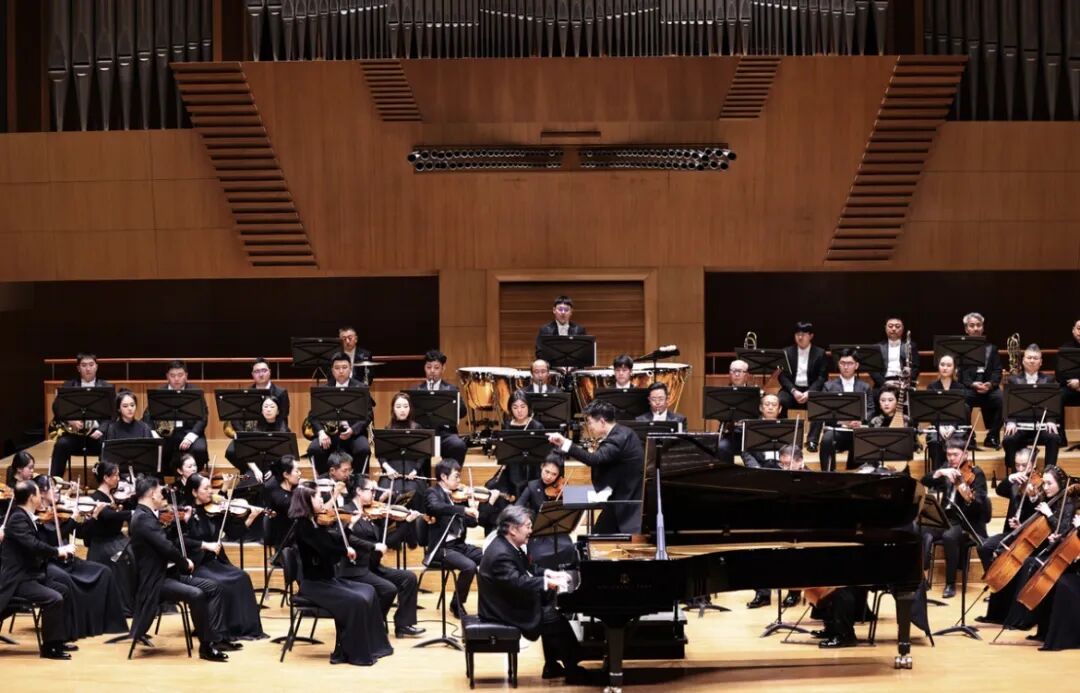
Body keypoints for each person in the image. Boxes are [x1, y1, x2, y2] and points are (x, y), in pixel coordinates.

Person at [288, 484, 393, 665]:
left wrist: (349, 526)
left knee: (369, 590)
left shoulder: (315, 522)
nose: (322, 500)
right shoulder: (303, 526)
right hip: (314, 585)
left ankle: (375, 646)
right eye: (318, 496)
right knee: (357, 600)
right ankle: (351, 652)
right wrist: (345, 551)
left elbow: (334, 539)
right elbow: (325, 549)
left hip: (327, 580)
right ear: (307, 501)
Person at [127, 475, 229, 661]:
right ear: (152, 494)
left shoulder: (145, 515)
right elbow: (166, 547)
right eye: (160, 492)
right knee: (196, 594)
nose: (163, 496)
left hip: (166, 574)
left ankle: (216, 638)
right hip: (155, 581)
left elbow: (165, 541)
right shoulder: (143, 519)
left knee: (213, 587)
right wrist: (184, 562)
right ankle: (206, 646)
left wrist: (181, 521)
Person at [478, 505, 584, 681]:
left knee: (548, 606)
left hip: (504, 599)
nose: (531, 531)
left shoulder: (508, 544)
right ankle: (573, 669)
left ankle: (552, 666)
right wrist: (547, 583)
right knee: (551, 617)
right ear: (513, 529)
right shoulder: (501, 553)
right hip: (500, 609)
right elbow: (517, 581)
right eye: (528, 526)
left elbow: (529, 568)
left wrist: (550, 573)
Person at [32, 475, 127, 640]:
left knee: (104, 572)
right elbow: (51, 541)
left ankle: (102, 625)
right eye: (52, 487)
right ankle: (72, 630)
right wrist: (72, 521)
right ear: (41, 492)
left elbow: (83, 533)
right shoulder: (37, 517)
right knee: (67, 581)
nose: (57, 489)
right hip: (50, 562)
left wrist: (94, 516)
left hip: (67, 560)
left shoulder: (59, 509)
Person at [182, 474, 267, 643]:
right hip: (197, 564)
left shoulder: (215, 510)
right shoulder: (186, 513)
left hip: (215, 561)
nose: (210, 491)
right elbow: (181, 540)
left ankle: (243, 628)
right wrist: (204, 544)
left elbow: (234, 533)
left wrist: (251, 517)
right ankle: (220, 629)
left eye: (210, 487)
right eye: (206, 488)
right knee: (221, 583)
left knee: (242, 576)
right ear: (194, 492)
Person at [339, 478, 425, 638]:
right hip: (355, 569)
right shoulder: (345, 512)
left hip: (372, 567)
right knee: (388, 589)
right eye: (371, 490)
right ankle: (373, 623)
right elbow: (345, 538)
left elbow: (387, 542)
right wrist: (372, 546)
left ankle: (403, 624)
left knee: (409, 578)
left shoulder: (371, 514)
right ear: (359, 491)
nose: (375, 494)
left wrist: (406, 523)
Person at [0, 480, 76, 659]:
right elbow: (33, 545)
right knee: (54, 598)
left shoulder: (26, 516)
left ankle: (57, 640)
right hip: (19, 579)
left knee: (63, 590)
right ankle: (49, 648)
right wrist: (58, 551)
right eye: (37, 493)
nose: (41, 496)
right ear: (31, 497)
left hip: (32, 575)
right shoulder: (18, 518)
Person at [547, 400, 644, 534]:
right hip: (617, 497)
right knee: (596, 536)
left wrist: (565, 443)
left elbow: (594, 459)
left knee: (598, 537)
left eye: (590, 422)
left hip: (625, 502)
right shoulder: (624, 432)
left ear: (602, 421)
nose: (589, 427)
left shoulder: (618, 438)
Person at [975, 448, 1041, 624]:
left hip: (1031, 537)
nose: (1020, 469)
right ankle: (996, 580)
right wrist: (1011, 477)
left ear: (1033, 464)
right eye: (1017, 465)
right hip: (1011, 534)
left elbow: (1041, 509)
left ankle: (1004, 587)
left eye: (1024, 465)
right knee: (984, 547)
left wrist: (1033, 496)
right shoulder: (1015, 481)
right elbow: (1000, 490)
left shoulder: (1040, 484)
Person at [920, 436, 988, 599]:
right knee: (919, 527)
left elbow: (979, 506)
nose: (951, 458)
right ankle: (921, 575)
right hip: (945, 518)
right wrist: (939, 472)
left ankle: (950, 583)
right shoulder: (947, 469)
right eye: (948, 454)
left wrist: (966, 495)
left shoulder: (976, 474)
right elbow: (925, 481)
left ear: (965, 455)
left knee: (949, 536)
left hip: (964, 521)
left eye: (955, 455)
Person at [424, 459, 484, 618]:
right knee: (469, 566)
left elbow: (471, 524)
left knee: (488, 558)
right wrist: (462, 509)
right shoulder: (432, 493)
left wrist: (473, 508)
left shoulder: (456, 496)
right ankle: (456, 604)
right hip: (441, 548)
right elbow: (434, 507)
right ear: (444, 477)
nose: (459, 480)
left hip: (459, 545)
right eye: (456, 476)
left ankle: (489, 603)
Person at [82, 460, 134, 616]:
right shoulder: (96, 498)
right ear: (106, 478)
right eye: (116, 475)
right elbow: (108, 515)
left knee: (137, 554)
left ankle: (137, 602)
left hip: (117, 539)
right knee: (125, 558)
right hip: (103, 544)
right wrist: (131, 513)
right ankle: (122, 606)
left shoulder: (112, 495)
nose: (118, 478)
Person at [307, 352, 371, 476]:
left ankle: (359, 480)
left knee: (363, 449)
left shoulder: (361, 388)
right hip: (329, 434)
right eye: (337, 368)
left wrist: (352, 430)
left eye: (344, 367)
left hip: (353, 433)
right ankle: (325, 479)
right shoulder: (324, 389)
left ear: (350, 368)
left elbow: (368, 415)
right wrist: (321, 433)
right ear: (332, 370)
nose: (341, 371)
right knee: (314, 449)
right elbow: (313, 416)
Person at [49, 352, 113, 477]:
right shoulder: (68, 386)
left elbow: (113, 415)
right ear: (78, 368)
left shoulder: (107, 387)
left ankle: (105, 482)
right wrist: (70, 420)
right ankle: (54, 481)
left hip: (97, 435)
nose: (88, 368)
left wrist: (101, 430)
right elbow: (57, 408)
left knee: (107, 445)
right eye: (84, 365)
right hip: (75, 435)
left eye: (91, 365)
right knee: (61, 444)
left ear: (96, 366)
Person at [1002, 344, 1063, 471]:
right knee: (1008, 439)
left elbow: (1053, 403)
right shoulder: (1013, 380)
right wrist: (1011, 421)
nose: (1032, 361)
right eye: (1029, 357)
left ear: (1041, 362)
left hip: (1042, 425)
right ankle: (1014, 471)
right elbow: (1007, 405)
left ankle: (1049, 472)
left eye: (1035, 358)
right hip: (1020, 425)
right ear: (1023, 360)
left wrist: (1051, 420)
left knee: (1054, 437)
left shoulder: (1049, 379)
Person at [514, 452, 576, 570]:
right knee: (539, 555)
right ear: (541, 466)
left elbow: (573, 506)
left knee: (569, 548)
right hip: (538, 532)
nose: (549, 477)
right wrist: (527, 517)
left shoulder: (562, 487)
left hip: (557, 530)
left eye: (554, 474)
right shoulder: (532, 486)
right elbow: (517, 507)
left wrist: (567, 496)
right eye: (547, 472)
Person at [142, 360, 209, 468]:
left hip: (189, 431)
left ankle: (196, 474)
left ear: (186, 375)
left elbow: (203, 418)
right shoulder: (159, 392)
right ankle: (162, 475)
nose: (176, 379)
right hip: (166, 434)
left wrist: (191, 437)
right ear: (167, 376)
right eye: (172, 375)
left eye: (180, 375)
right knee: (155, 448)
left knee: (199, 449)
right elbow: (147, 416)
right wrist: (153, 433)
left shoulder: (196, 392)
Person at [818, 349, 873, 472]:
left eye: (850, 363)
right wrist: (843, 422)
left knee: (863, 439)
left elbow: (870, 410)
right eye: (843, 363)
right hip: (838, 430)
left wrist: (860, 421)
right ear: (838, 364)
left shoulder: (865, 387)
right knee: (827, 439)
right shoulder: (828, 386)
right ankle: (828, 475)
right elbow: (824, 413)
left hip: (857, 430)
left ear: (856, 365)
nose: (846, 367)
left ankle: (855, 474)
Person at [777, 323, 828, 451]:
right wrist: (794, 391)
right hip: (792, 390)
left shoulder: (820, 353)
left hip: (811, 389)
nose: (800, 337)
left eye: (803, 334)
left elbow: (822, 377)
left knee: (820, 403)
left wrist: (810, 392)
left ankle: (812, 441)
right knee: (780, 401)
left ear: (811, 336)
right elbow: (782, 376)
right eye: (797, 334)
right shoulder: (786, 352)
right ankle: (785, 438)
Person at [413, 350, 468, 465]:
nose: (432, 371)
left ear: (443, 368)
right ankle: (421, 476)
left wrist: (453, 402)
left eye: (436, 367)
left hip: (445, 433)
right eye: (429, 367)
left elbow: (463, 412)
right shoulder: (416, 390)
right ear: (424, 368)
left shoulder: (451, 389)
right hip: (424, 434)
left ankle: (452, 473)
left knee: (458, 445)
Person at [958, 312, 1003, 448]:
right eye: (972, 326)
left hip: (988, 388)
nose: (976, 328)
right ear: (966, 329)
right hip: (969, 388)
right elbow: (960, 373)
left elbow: (997, 370)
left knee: (1004, 400)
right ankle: (969, 437)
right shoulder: (960, 350)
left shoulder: (992, 348)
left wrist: (990, 384)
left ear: (983, 328)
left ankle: (992, 436)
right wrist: (972, 384)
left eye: (979, 325)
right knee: (960, 401)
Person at [924, 354, 970, 470]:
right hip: (937, 427)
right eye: (942, 365)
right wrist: (939, 427)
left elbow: (962, 412)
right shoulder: (932, 387)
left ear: (954, 368)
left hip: (955, 427)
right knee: (935, 442)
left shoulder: (960, 387)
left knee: (955, 442)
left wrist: (953, 427)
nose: (945, 368)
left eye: (949, 365)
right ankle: (937, 475)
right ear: (938, 366)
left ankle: (956, 475)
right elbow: (930, 412)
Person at [224, 396, 289, 475]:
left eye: (272, 407)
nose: (268, 410)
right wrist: (255, 470)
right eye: (265, 407)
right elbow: (249, 451)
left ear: (278, 411)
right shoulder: (258, 425)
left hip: (274, 463)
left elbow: (282, 454)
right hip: (257, 459)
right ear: (261, 411)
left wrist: (273, 469)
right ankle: (246, 471)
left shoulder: (282, 428)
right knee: (233, 451)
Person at [262, 455, 301, 551]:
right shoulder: (280, 498)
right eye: (296, 471)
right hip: (287, 544)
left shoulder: (285, 486)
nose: (300, 473)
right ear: (286, 475)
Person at [871, 317, 919, 392]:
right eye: (890, 326)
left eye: (897, 326)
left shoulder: (911, 346)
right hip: (883, 382)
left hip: (904, 383)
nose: (893, 329)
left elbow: (916, 368)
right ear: (885, 328)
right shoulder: (877, 347)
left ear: (902, 328)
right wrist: (884, 383)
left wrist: (906, 382)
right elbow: (873, 370)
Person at [740, 393, 784, 469]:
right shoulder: (751, 426)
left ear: (780, 409)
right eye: (767, 404)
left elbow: (793, 451)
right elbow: (746, 452)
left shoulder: (786, 426)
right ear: (760, 408)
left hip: (782, 466)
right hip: (759, 466)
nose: (770, 407)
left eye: (774, 405)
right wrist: (754, 466)